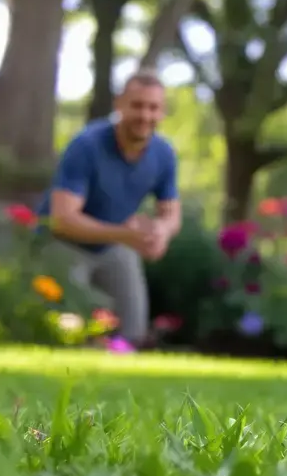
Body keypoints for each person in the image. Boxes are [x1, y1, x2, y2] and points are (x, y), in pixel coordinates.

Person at [36, 69, 182, 347]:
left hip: (114, 246)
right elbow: (62, 219)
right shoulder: (87, 145)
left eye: (153, 108)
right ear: (119, 105)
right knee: (69, 332)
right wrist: (124, 235)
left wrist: (161, 231)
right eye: (137, 105)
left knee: (132, 334)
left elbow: (172, 213)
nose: (145, 115)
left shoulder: (164, 154)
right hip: (63, 244)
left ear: (162, 112)